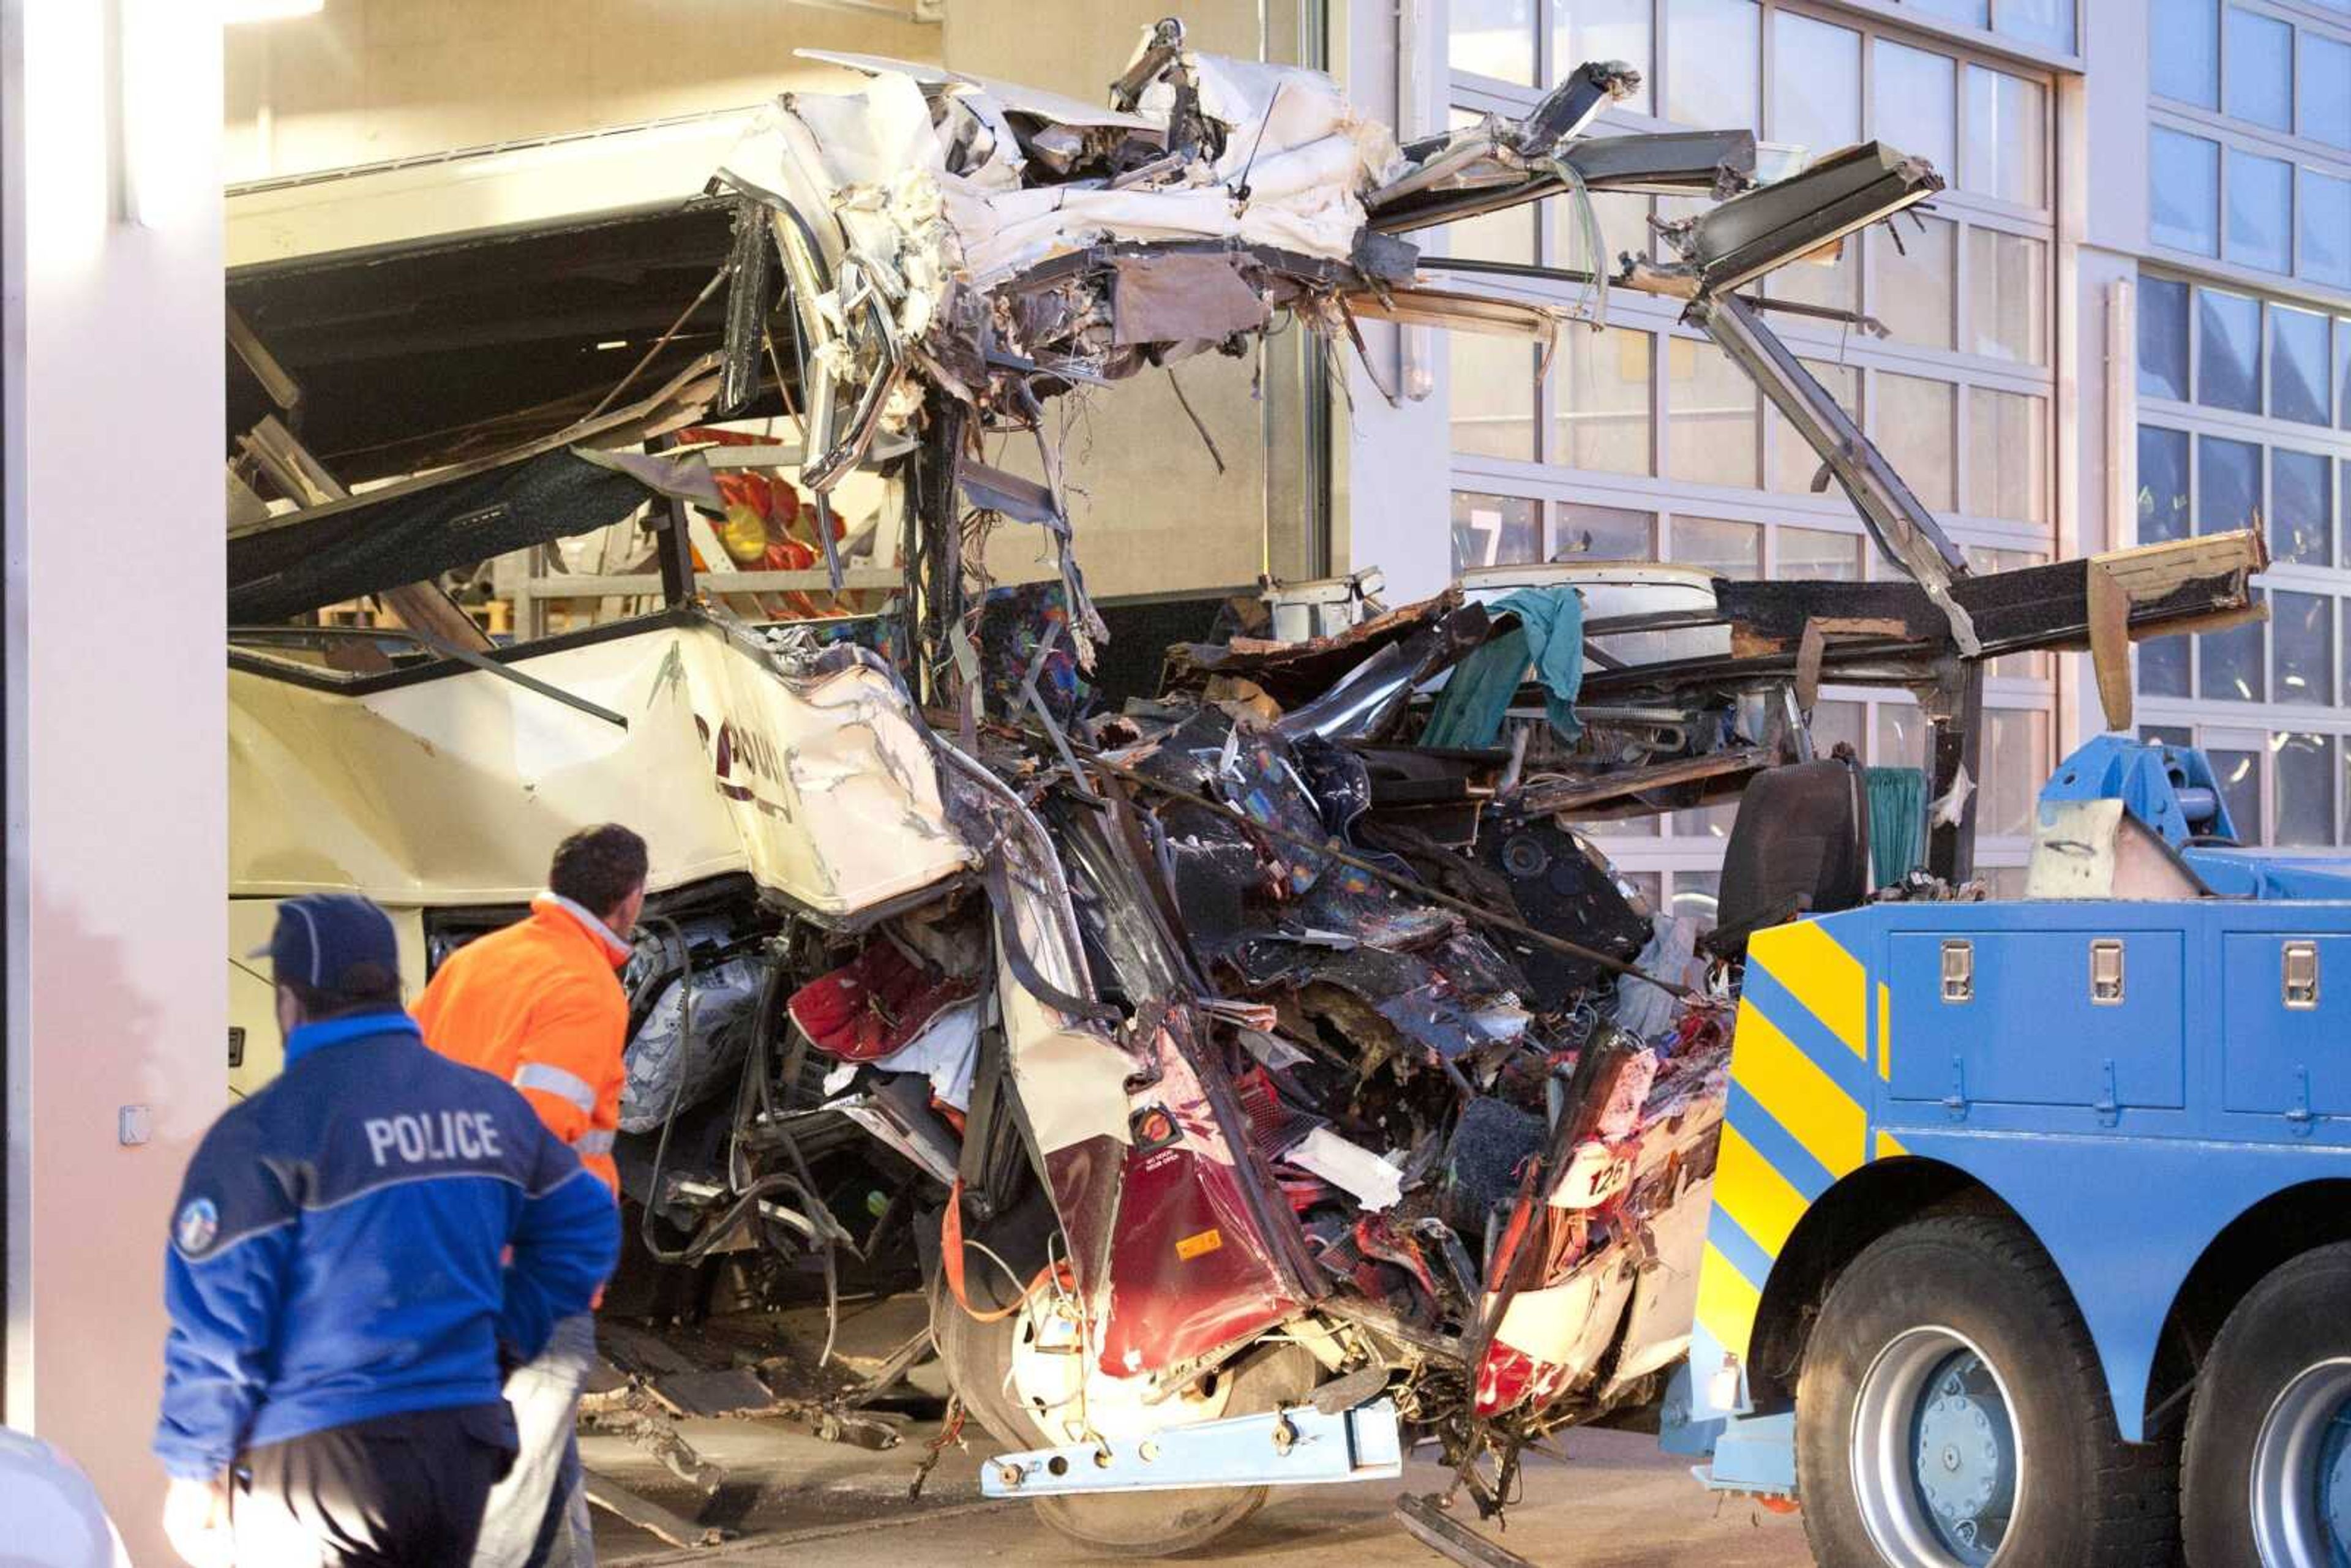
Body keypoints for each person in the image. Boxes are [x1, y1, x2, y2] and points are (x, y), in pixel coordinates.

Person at [154, 893, 618, 1568]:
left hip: (320, 1457)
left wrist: (195, 1461)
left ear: (290, 1001)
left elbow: (220, 1321)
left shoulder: (264, 1129)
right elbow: (586, 1225)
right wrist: (506, 1339)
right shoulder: (489, 1106)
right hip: (457, 1450)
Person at [414, 823, 647, 1568]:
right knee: (515, 1482)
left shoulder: (475, 962)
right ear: (629, 899)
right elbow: (538, 1136)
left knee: (541, 1464)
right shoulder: (585, 988)